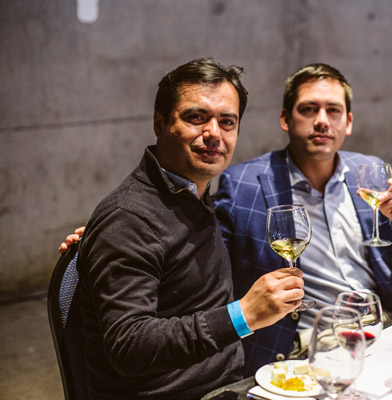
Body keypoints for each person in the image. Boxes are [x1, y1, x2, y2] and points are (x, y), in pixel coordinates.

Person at [73, 58, 304, 399]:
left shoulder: (192, 195)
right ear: (160, 123)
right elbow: (129, 346)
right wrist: (243, 315)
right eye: (196, 117)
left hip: (229, 386)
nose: (214, 133)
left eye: (227, 121)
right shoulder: (127, 219)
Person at [213, 63, 392, 376]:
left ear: (348, 122)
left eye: (333, 110)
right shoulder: (242, 184)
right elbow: (214, 288)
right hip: (305, 345)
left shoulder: (368, 173)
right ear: (285, 119)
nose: (321, 120)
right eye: (308, 109)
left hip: (381, 328)